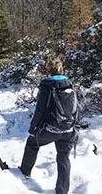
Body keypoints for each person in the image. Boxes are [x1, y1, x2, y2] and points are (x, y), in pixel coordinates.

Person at [19, 58, 78, 194]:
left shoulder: (47, 85)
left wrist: (33, 128)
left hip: (51, 129)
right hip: (68, 129)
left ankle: (24, 174)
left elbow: (40, 109)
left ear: (48, 70)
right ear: (62, 69)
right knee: (63, 157)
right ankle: (62, 191)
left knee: (32, 144)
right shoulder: (70, 84)